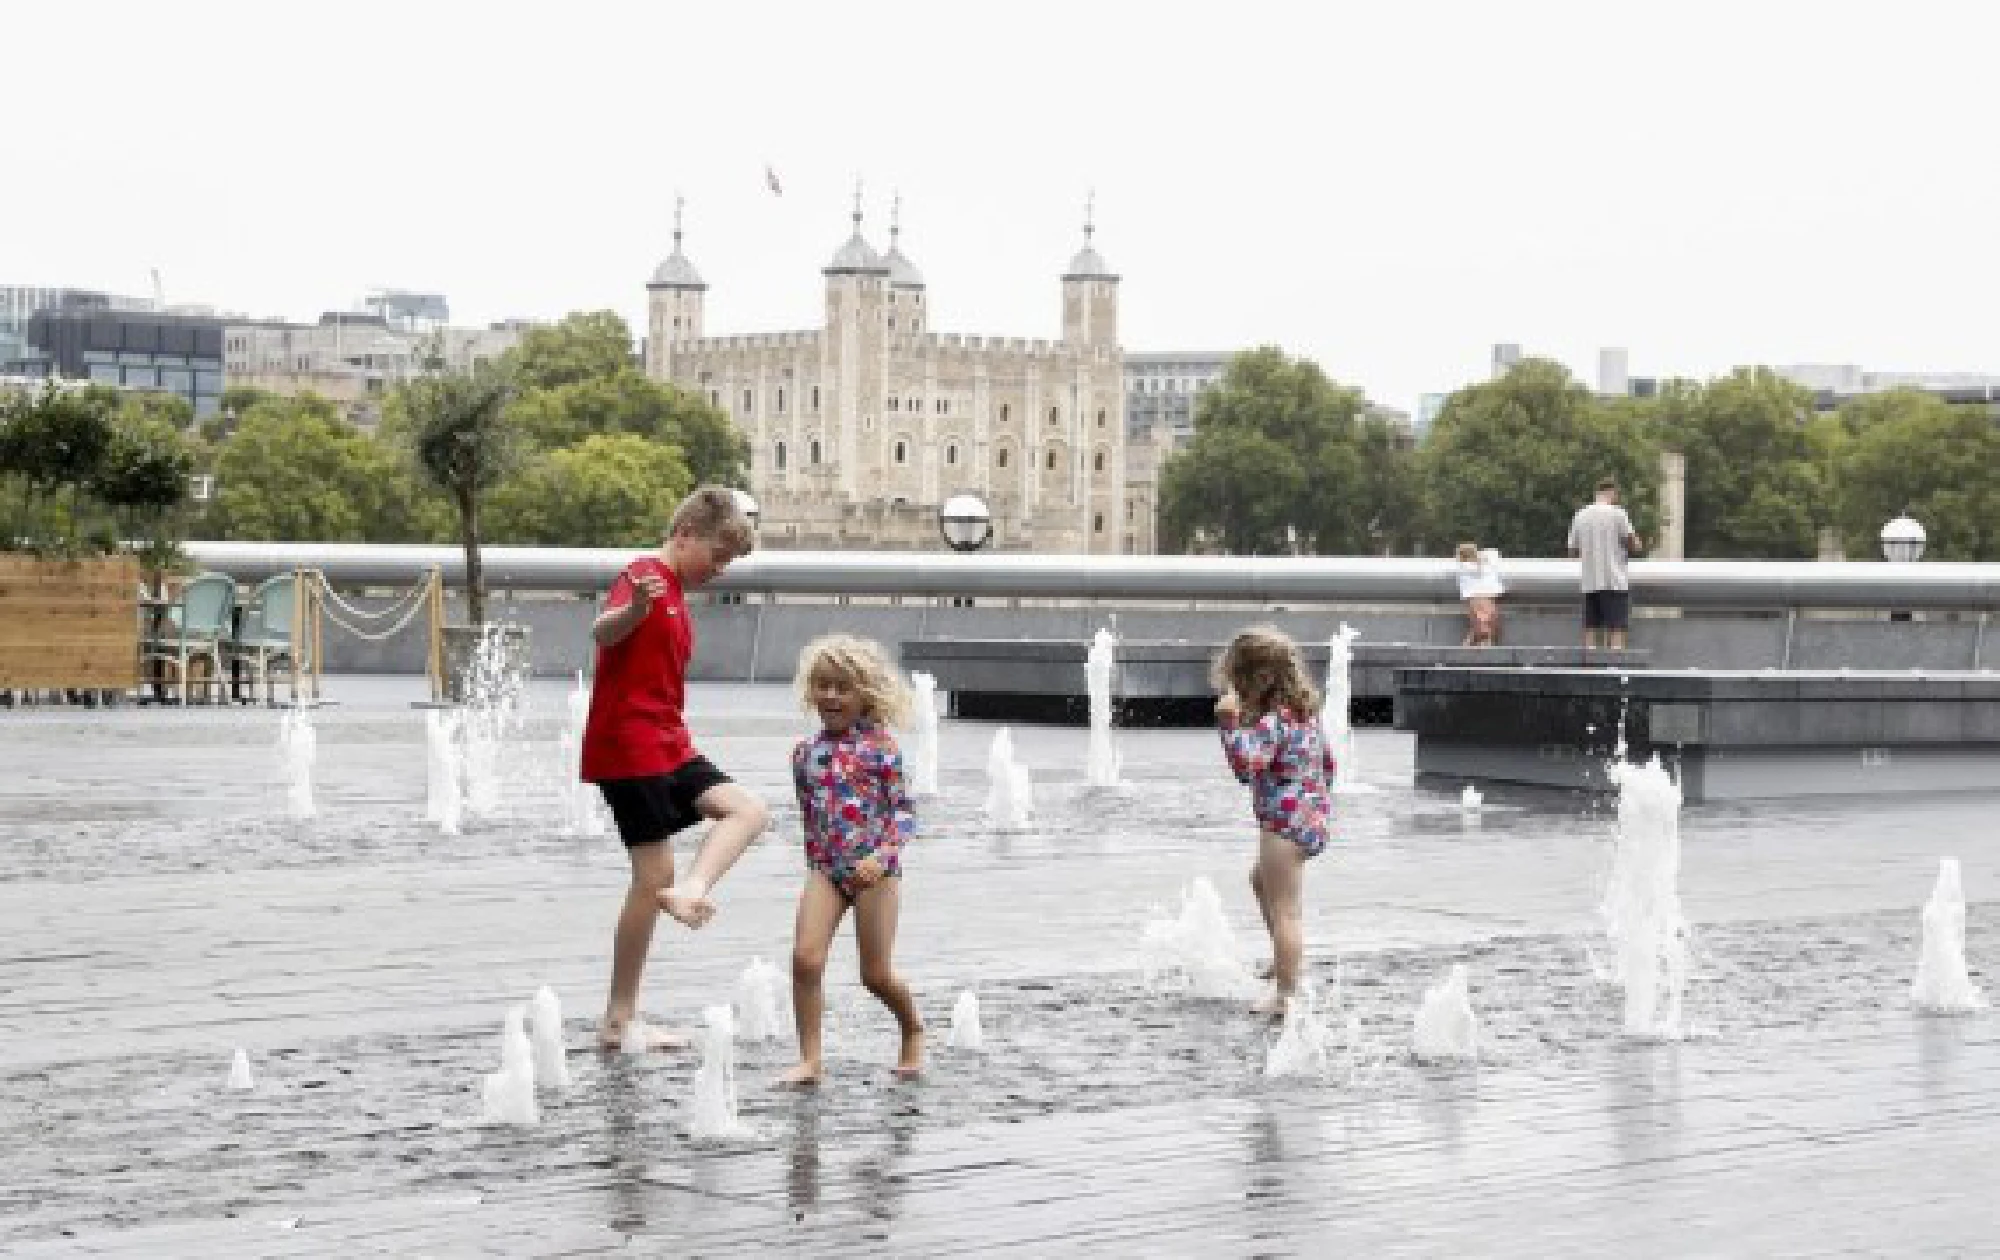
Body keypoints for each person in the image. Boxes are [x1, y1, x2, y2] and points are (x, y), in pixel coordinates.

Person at [580, 485, 771, 1052]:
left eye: (728, 562)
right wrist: (635, 609)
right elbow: (602, 630)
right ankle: (619, 1019)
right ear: (685, 534)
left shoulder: (678, 594)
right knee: (649, 878)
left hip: (669, 741)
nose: (720, 570)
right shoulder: (644, 576)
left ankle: (692, 887)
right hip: (630, 744)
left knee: (747, 810)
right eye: (717, 556)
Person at [777, 635, 924, 1086]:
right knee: (805, 959)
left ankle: (913, 1029)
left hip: (874, 873)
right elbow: (811, 818)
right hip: (826, 870)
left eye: (842, 688)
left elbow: (904, 813)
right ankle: (810, 1059)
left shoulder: (882, 749)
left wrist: (882, 858)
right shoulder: (805, 754)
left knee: (875, 974)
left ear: (865, 695)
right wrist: (817, 864)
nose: (831, 696)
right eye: (823, 686)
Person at [1212, 626, 1339, 1016]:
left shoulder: (1273, 722)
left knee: (1286, 911)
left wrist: (1229, 723)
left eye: (1239, 681)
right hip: (1309, 819)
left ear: (1260, 679)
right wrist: (1313, 802)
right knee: (1259, 880)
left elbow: (1246, 766)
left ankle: (1286, 994)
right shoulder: (1305, 716)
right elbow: (1329, 764)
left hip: (1282, 827)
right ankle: (1284, 962)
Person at [1566, 477, 1645, 650]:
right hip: (1614, 581)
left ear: (1597, 493)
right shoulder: (1618, 513)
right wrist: (1636, 544)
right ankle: (1615, 668)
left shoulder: (1580, 515)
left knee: (1590, 629)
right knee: (1617, 629)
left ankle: (1589, 669)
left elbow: (1572, 550)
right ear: (1612, 493)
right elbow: (1634, 544)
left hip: (1590, 581)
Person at [1455, 541, 1505, 647]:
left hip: (1474, 601)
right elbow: (1494, 553)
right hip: (1486, 600)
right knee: (1486, 623)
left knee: (1479, 623)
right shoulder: (1487, 566)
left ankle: (1471, 644)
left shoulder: (1463, 568)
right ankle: (1485, 642)